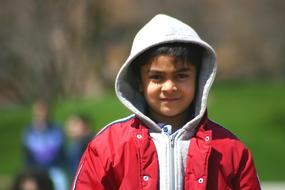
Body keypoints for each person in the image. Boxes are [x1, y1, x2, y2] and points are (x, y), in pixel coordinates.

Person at [72, 14, 261, 189]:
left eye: (181, 75)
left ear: (199, 78)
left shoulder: (230, 149)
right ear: (139, 81)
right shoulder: (108, 146)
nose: (169, 87)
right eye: (157, 77)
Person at [22, 100, 68, 190]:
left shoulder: (56, 129)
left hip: (55, 168)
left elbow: (59, 149)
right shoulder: (29, 131)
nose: (41, 116)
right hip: (35, 169)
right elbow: (27, 153)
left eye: (43, 113)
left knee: (61, 182)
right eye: (38, 113)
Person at [64, 114, 93, 178]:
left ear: (85, 125)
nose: (70, 128)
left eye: (74, 124)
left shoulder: (89, 143)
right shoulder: (73, 145)